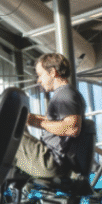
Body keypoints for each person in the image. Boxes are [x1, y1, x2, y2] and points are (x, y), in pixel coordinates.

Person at [15, 52, 85, 181]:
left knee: (6, 134)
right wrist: (31, 118)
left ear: (52, 72)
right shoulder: (66, 94)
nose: (38, 80)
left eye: (40, 75)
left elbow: (72, 128)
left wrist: (36, 122)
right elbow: (58, 122)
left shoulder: (65, 95)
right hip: (56, 160)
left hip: (52, 161)